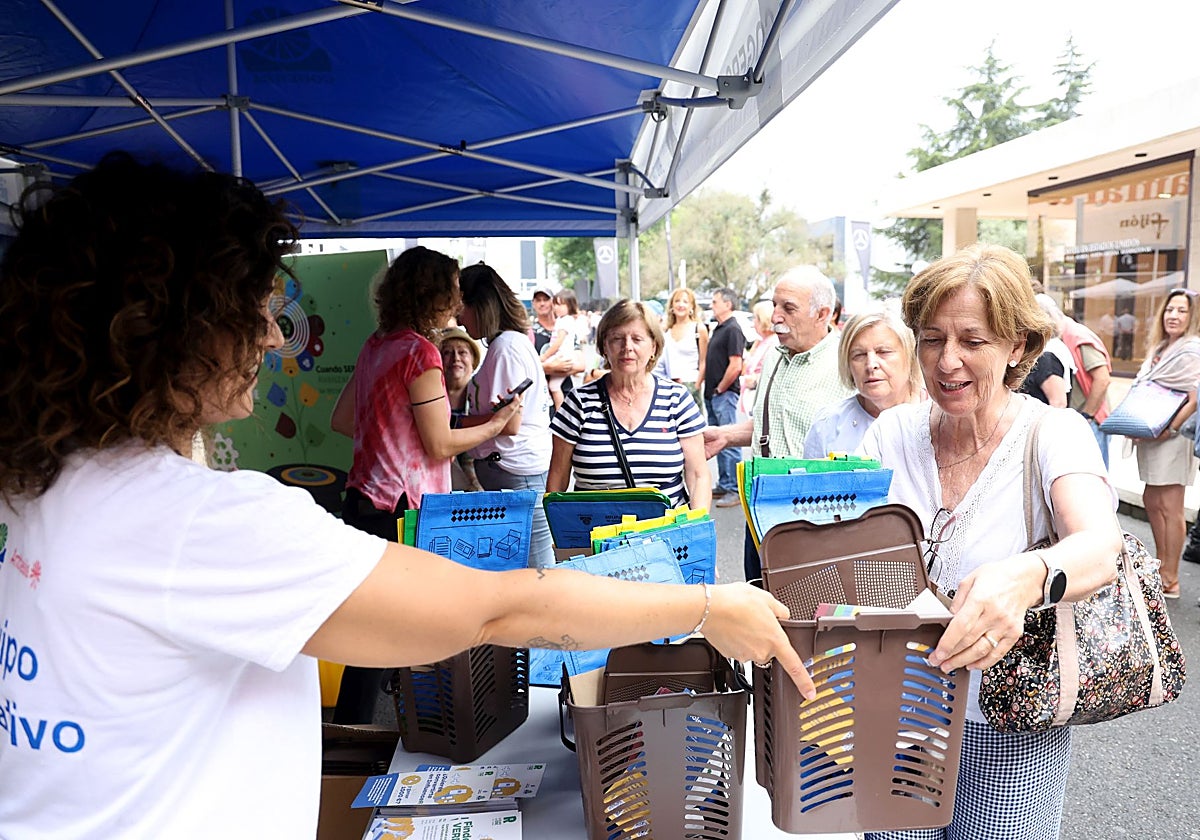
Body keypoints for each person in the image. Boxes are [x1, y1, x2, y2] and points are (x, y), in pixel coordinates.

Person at [0, 153, 817, 839]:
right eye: (253, 311)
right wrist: (708, 608)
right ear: (170, 329)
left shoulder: (41, 482)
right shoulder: (193, 521)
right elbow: (500, 610)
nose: (274, 337)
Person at [861, 244, 1122, 840]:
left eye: (972, 342)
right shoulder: (892, 433)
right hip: (898, 710)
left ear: (1017, 348)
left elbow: (1101, 546)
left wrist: (1027, 576)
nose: (947, 361)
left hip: (1011, 719)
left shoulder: (1051, 431)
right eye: (932, 339)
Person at [331, 247, 519, 539]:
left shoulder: (375, 344)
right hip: (406, 507)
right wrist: (494, 425)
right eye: (454, 290)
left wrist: (393, 439)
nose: (459, 302)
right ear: (434, 295)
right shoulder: (419, 352)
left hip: (363, 497)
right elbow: (440, 445)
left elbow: (342, 420)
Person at [703, 266, 855, 579]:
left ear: (822, 313)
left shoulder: (847, 361)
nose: (775, 317)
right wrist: (725, 436)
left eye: (788, 308)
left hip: (815, 514)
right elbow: (767, 424)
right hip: (760, 503)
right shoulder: (774, 353)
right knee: (758, 598)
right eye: (774, 305)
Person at [547, 300, 710, 511]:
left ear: (653, 346)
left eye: (637, 339)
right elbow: (557, 477)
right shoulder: (579, 402)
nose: (627, 347)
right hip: (595, 537)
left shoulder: (676, 399)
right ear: (604, 347)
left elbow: (698, 475)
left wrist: (696, 527)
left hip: (666, 536)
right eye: (617, 339)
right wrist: (562, 535)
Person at [459, 263, 556, 569]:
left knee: (538, 574)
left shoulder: (505, 347)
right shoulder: (509, 343)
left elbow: (508, 423)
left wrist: (451, 423)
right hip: (516, 475)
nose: (459, 320)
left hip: (518, 476)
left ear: (481, 306)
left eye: (462, 309)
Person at [1130, 288, 1200, 599]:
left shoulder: (1193, 349)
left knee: (1171, 506)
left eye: (1182, 311)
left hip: (1173, 436)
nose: (1173, 316)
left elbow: (1195, 399)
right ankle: (1160, 568)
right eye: (1170, 309)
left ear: (1193, 316)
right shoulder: (1159, 348)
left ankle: (1170, 576)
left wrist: (1168, 429)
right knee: (1152, 501)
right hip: (1150, 434)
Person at [803, 307, 922, 458]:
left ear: (911, 355)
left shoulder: (938, 417)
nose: (871, 364)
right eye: (859, 355)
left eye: (883, 352)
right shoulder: (828, 424)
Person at [1036, 294, 1113, 467]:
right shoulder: (1061, 338)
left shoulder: (1077, 336)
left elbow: (1102, 379)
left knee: (1091, 483)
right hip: (1079, 420)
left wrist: (1087, 415)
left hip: (1091, 422)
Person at [704, 288, 745, 507]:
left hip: (724, 393)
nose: (712, 305)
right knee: (717, 439)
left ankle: (735, 489)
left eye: (715, 301)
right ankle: (725, 482)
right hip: (713, 393)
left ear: (728, 304)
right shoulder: (719, 328)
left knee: (730, 439)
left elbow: (736, 364)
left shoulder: (733, 329)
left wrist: (721, 388)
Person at [437, 326, 484, 492]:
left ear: (473, 360)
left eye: (462, 352)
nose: (455, 358)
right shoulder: (429, 397)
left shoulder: (482, 394)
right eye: (447, 353)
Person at [530, 285, 583, 412]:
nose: (542, 304)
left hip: (566, 394)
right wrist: (551, 368)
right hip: (540, 403)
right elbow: (527, 368)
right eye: (538, 300)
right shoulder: (530, 332)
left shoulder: (566, 327)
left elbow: (581, 366)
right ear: (533, 304)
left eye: (546, 299)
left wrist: (556, 368)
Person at [661, 287, 710, 406]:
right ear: (671, 305)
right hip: (669, 385)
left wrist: (697, 385)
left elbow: (704, 361)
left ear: (691, 307)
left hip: (691, 383)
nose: (680, 305)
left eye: (685, 301)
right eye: (677, 301)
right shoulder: (666, 330)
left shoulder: (699, 329)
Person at [738, 300, 779, 419]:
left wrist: (755, 380)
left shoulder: (774, 343)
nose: (753, 323)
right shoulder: (761, 342)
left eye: (755, 318)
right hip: (751, 400)